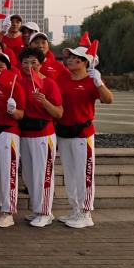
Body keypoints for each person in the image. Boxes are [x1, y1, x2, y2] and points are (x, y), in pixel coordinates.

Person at [56, 46, 113, 228]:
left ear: (83, 62)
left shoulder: (91, 80)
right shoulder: (62, 79)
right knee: (70, 174)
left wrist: (99, 83)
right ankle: (75, 209)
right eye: (69, 57)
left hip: (83, 134)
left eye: (74, 57)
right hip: (64, 133)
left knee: (84, 173)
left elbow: (108, 99)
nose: (69, 60)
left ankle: (86, 213)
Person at [17, 47, 64, 227]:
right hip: (25, 134)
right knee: (29, 175)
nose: (29, 66)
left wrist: (44, 101)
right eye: (25, 62)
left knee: (43, 174)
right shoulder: (20, 83)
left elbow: (59, 113)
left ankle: (45, 212)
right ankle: (38, 209)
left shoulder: (49, 84)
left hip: (43, 134)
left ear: (41, 64)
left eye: (33, 63)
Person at [0, 53, 25, 228]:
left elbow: (21, 114)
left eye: (1, 67)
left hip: (8, 132)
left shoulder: (15, 87)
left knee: (8, 172)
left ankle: (8, 212)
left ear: (8, 69)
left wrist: (13, 110)